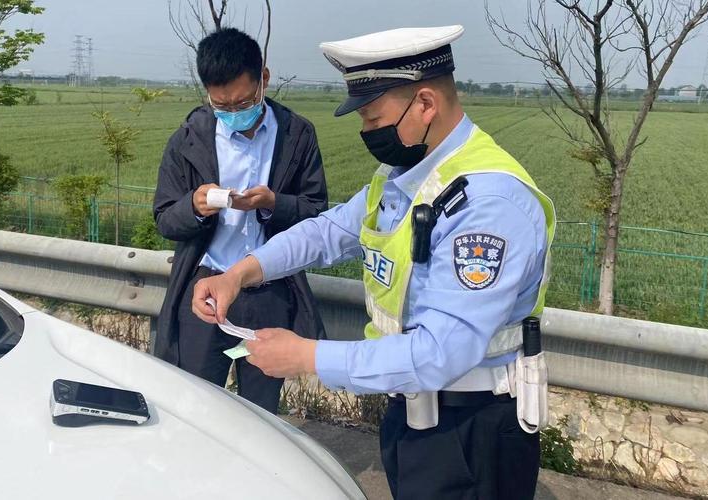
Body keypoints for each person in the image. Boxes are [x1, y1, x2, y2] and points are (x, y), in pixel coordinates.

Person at [190, 26, 556, 500]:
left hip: (471, 429)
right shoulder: (405, 175)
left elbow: (439, 353)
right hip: (411, 412)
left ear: (425, 104)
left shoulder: (489, 203)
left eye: (373, 117)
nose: (367, 132)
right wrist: (240, 273)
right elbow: (330, 231)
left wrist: (306, 356)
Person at [152, 27, 328, 414]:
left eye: (243, 102)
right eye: (222, 106)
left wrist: (273, 204)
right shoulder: (188, 139)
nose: (234, 112)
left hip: (269, 290)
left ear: (263, 79)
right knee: (196, 403)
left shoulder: (297, 135)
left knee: (261, 409)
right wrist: (195, 207)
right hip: (205, 290)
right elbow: (165, 218)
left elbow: (317, 212)